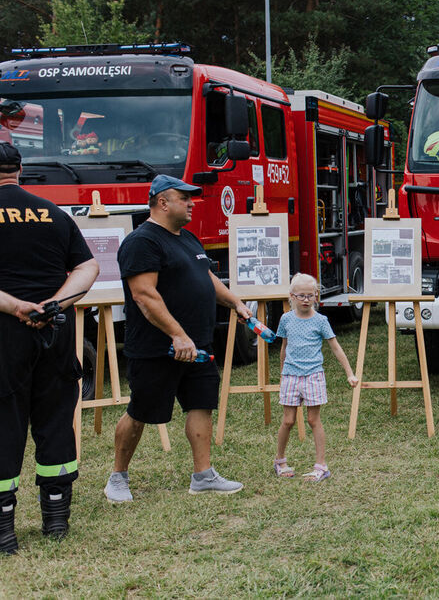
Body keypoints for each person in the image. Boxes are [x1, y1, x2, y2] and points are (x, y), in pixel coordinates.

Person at [104, 175, 252, 503]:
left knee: (201, 404)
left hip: (196, 344)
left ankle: (203, 475)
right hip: (159, 347)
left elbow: (206, 276)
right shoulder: (143, 242)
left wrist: (236, 303)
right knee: (141, 410)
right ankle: (118, 476)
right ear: (162, 202)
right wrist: (177, 335)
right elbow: (145, 295)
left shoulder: (187, 239)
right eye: (184, 198)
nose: (191, 203)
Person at [0, 142, 99, 554]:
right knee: (57, 415)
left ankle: (4, 531)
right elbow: (88, 266)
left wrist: (15, 306)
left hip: (5, 332)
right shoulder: (53, 213)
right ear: (20, 169)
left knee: (3, 419)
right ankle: (55, 518)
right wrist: (55, 302)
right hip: (55, 329)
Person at [273, 274, 358, 482]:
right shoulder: (286, 319)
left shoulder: (321, 321)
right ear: (291, 296)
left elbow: (336, 348)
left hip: (313, 376)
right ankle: (280, 460)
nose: (305, 299)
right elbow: (284, 348)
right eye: (300, 295)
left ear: (316, 296)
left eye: (309, 295)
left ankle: (321, 465)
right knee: (288, 420)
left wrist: (350, 373)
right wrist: (283, 373)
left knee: (314, 420)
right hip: (291, 376)